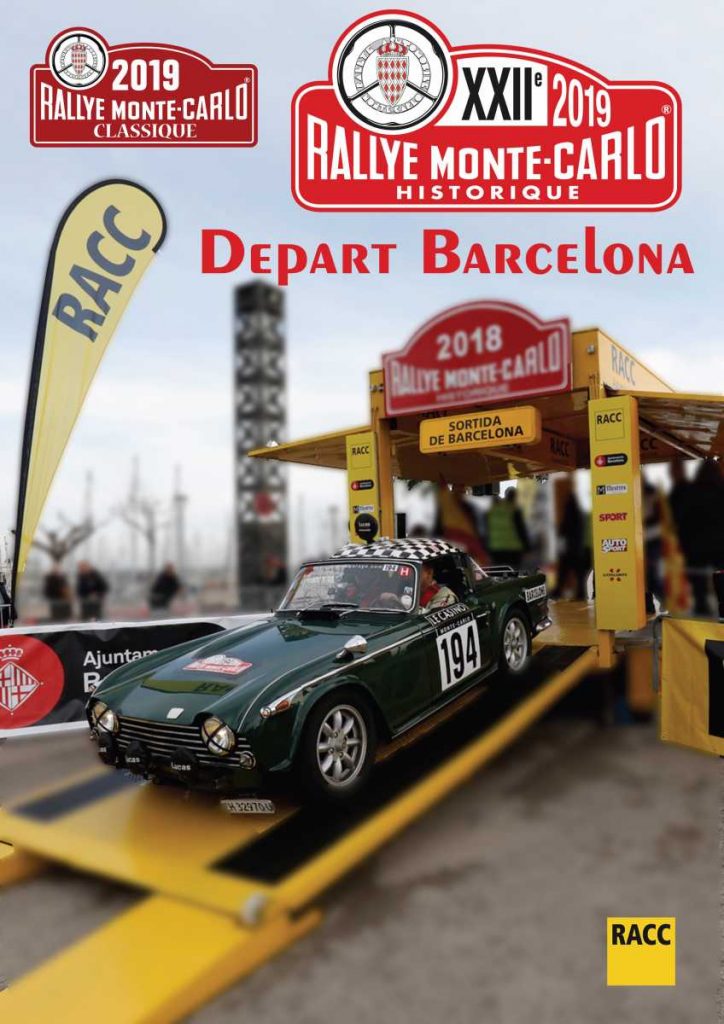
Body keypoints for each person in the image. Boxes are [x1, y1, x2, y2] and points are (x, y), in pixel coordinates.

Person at [486, 487, 530, 570]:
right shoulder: (514, 510)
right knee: (512, 572)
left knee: (497, 572)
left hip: (495, 548)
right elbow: (521, 530)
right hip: (512, 549)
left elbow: (486, 530)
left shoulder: (492, 511)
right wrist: (527, 548)